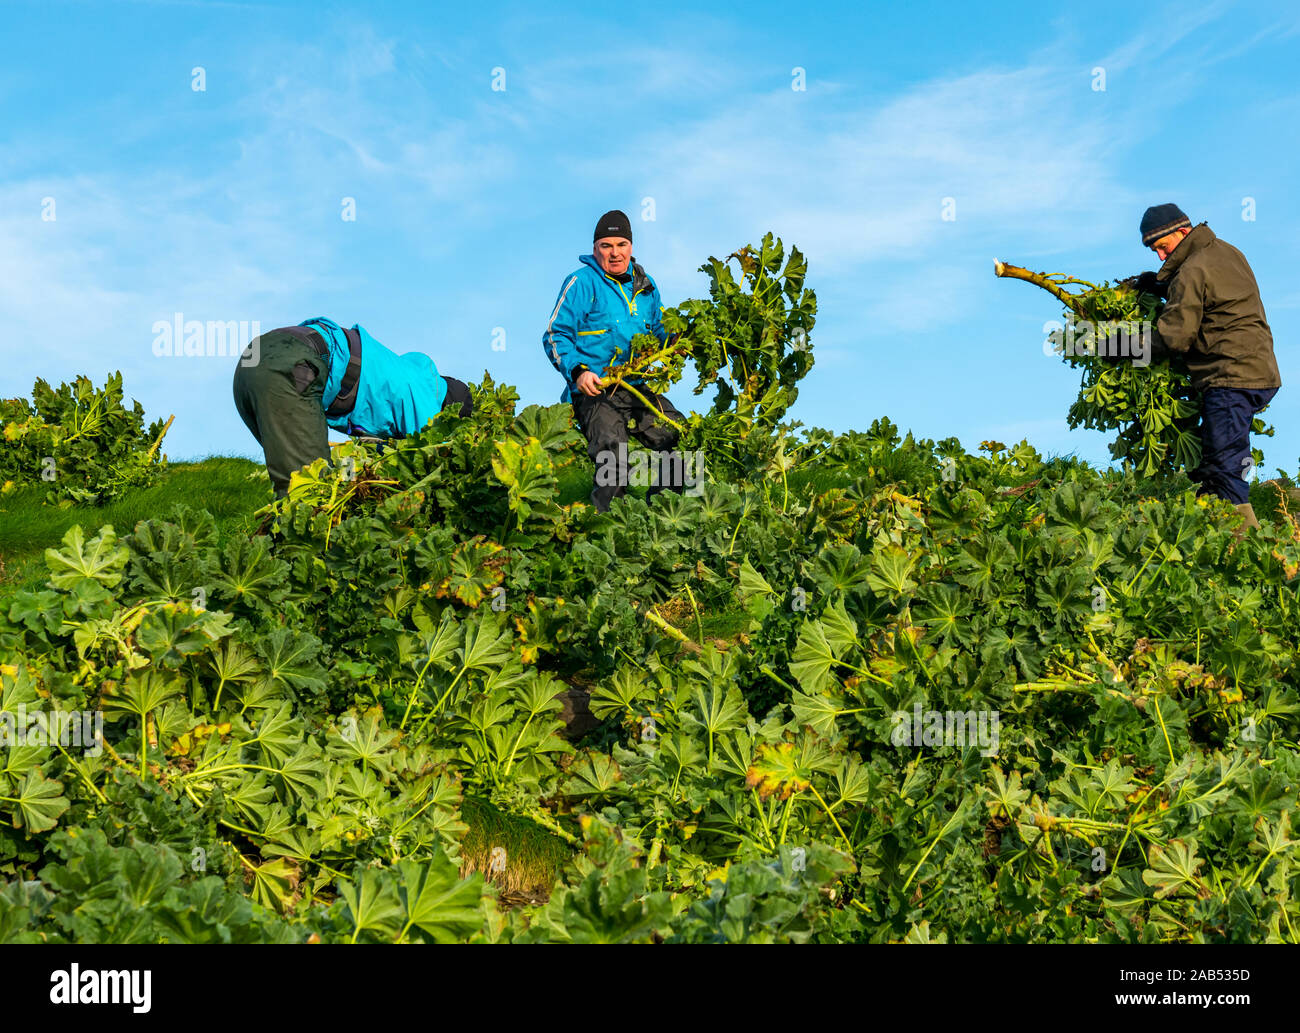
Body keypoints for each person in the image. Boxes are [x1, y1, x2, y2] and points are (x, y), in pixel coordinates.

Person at [1130, 204, 1281, 529]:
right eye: (1154, 250)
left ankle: (1253, 555)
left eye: (1162, 247)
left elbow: (1174, 339)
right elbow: (1217, 297)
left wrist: (1120, 347)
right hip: (1256, 368)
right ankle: (1205, 541)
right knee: (1209, 467)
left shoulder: (1191, 270)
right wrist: (1162, 286)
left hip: (1231, 375)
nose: (1159, 257)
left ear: (1182, 233)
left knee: (1226, 469)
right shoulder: (1226, 251)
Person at [542, 210, 688, 512]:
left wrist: (677, 341)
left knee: (680, 435)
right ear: (595, 249)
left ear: (631, 247)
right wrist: (579, 372)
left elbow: (659, 330)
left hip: (634, 387)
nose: (615, 253)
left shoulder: (647, 287)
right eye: (606, 246)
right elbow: (555, 335)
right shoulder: (581, 283)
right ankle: (606, 524)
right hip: (595, 391)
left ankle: (668, 513)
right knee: (614, 451)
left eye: (621, 244)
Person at [233, 316, 472, 496]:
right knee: (310, 494)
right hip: (292, 366)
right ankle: (293, 559)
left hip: (255, 361)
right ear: (449, 409)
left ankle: (276, 553)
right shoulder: (425, 399)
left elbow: (364, 455)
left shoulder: (399, 380)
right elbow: (431, 465)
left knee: (294, 484)